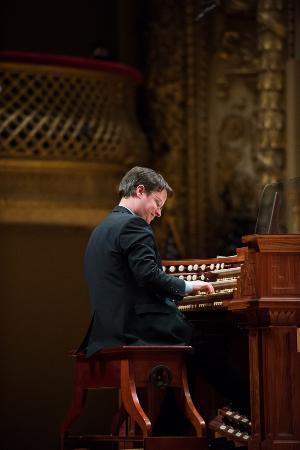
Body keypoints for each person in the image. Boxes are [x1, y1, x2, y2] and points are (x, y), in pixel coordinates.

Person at [80, 166, 214, 357]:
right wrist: (189, 286)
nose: (159, 213)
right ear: (140, 190)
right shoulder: (133, 225)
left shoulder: (101, 229)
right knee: (213, 345)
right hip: (137, 331)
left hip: (105, 333)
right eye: (158, 203)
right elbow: (149, 276)